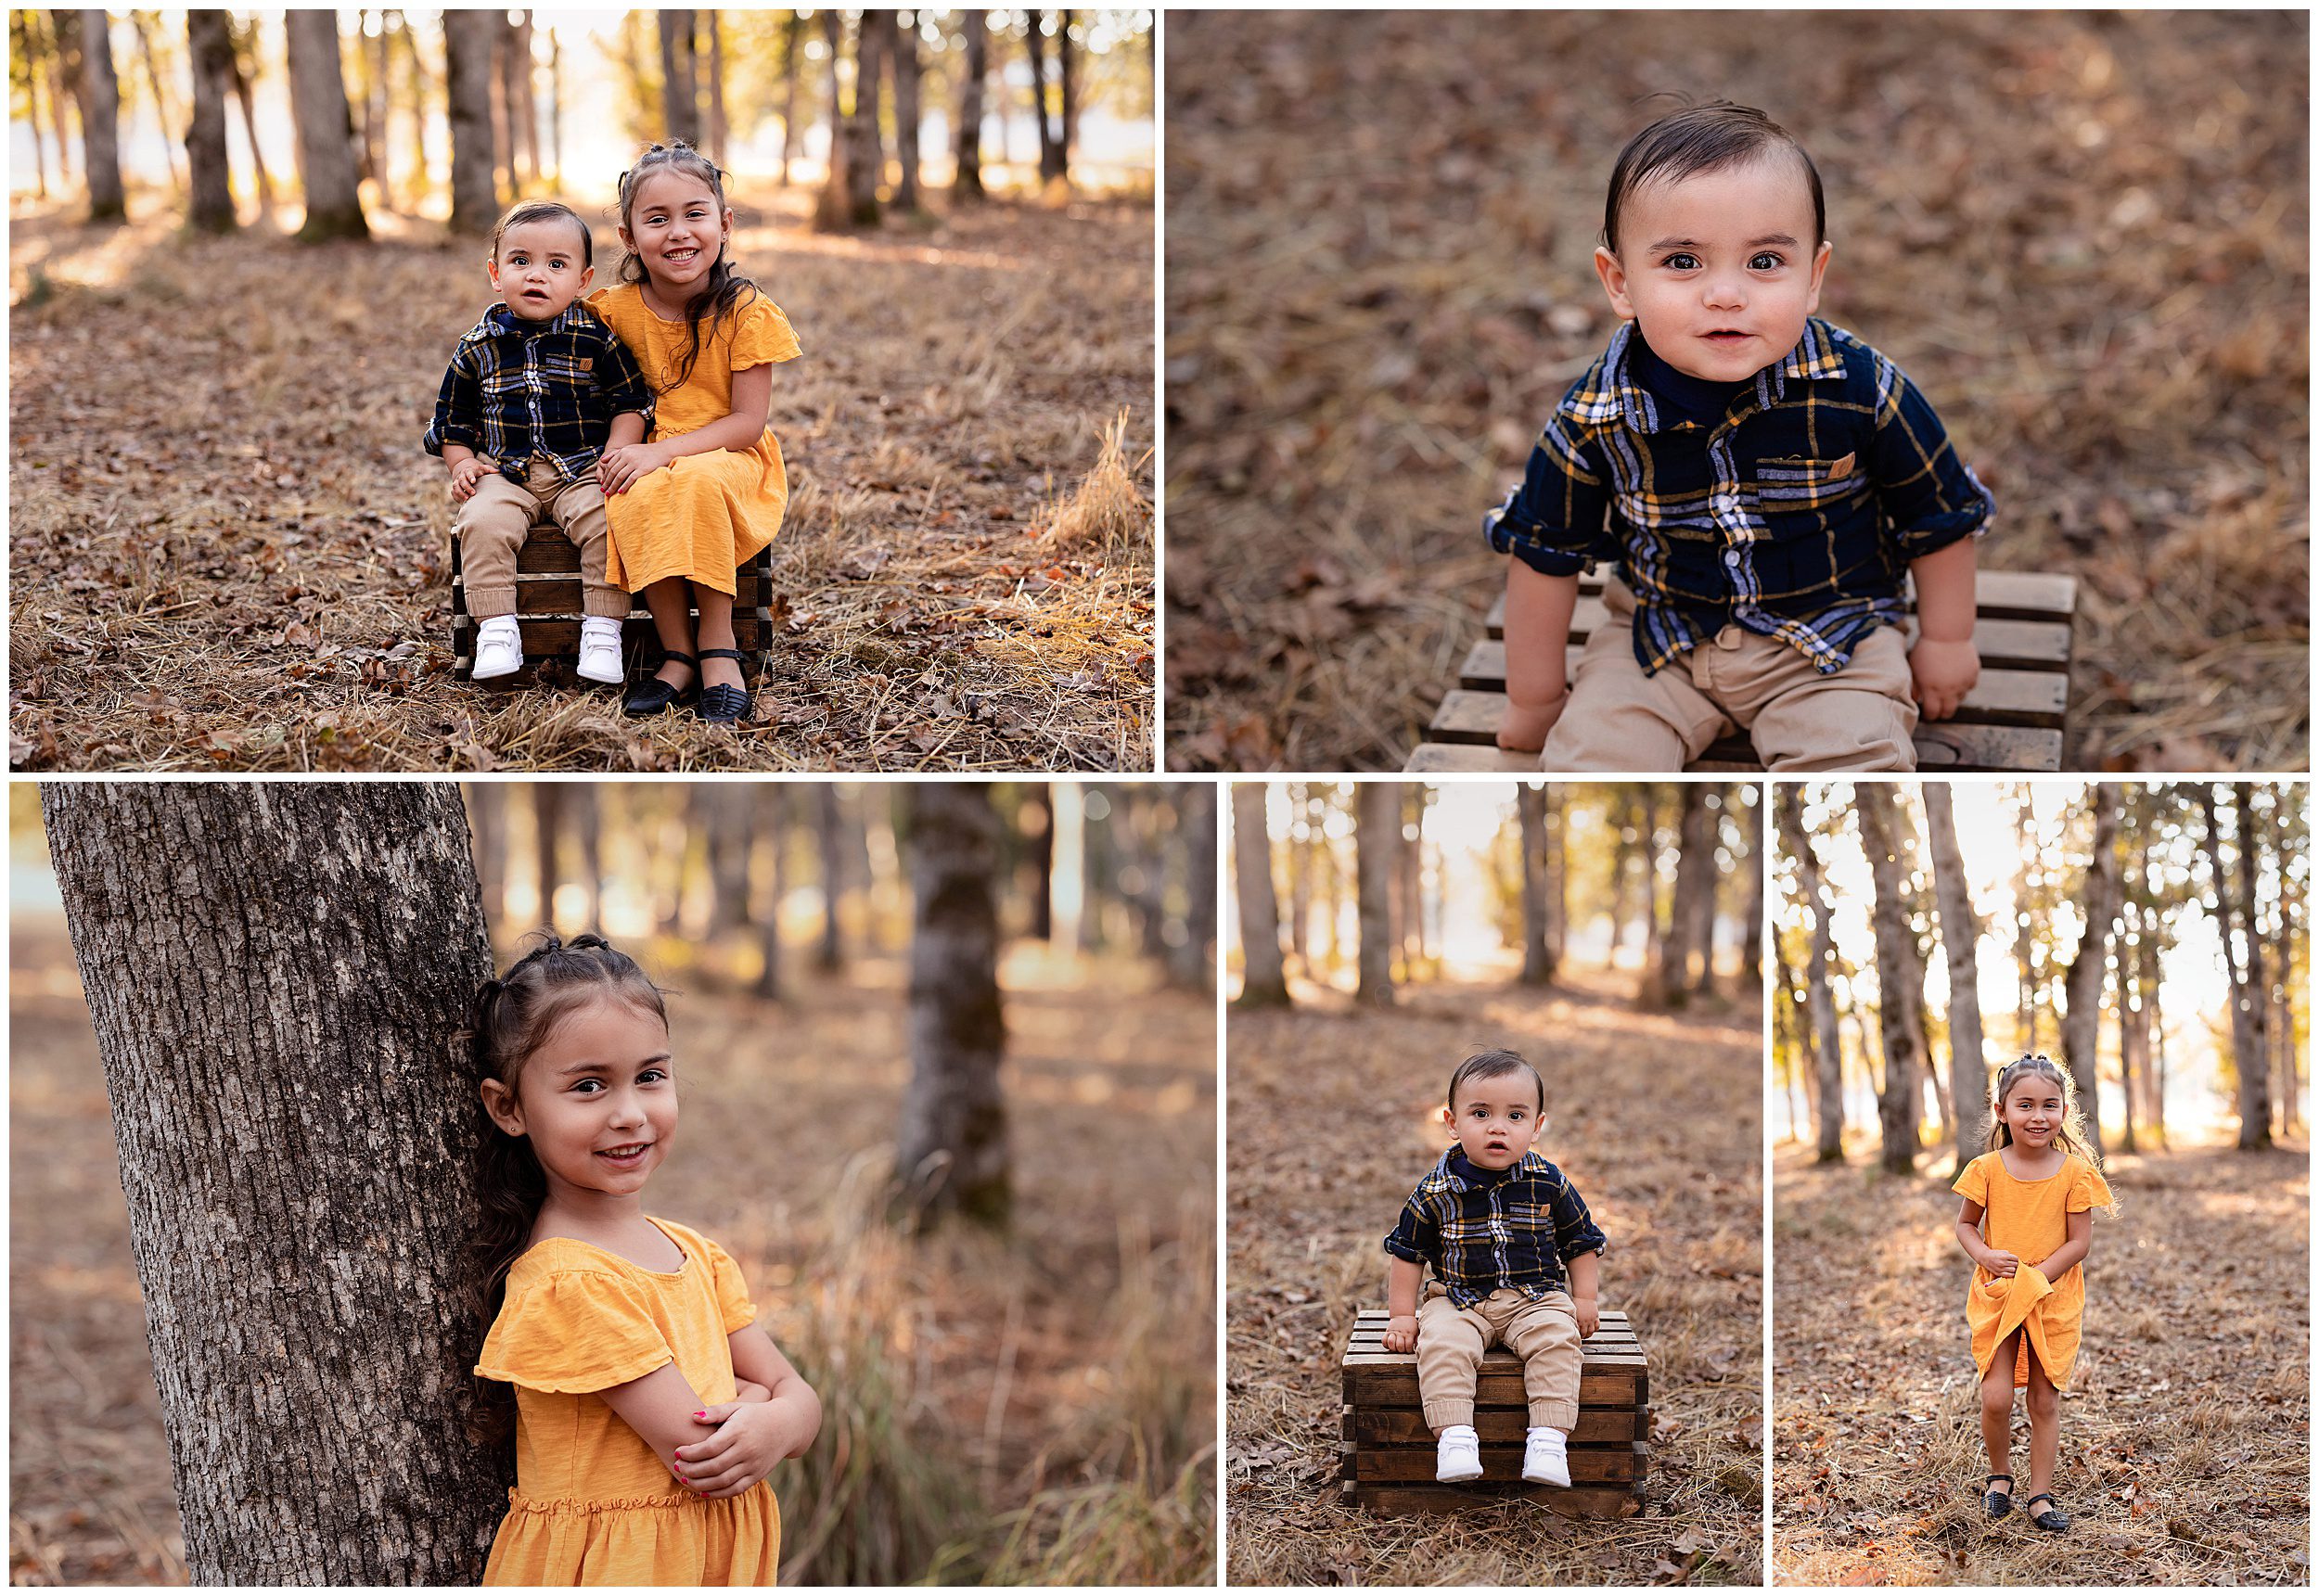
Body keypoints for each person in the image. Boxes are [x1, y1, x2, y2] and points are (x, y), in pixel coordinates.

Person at [1484, 101, 1994, 771]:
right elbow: (1543, 553)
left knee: (1853, 763)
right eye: (1683, 262)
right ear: (1620, 282)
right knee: (1593, 762)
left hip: (1830, 643)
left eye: (1763, 262)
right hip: (1658, 642)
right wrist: (1535, 699)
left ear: (1812, 276)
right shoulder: (1593, 418)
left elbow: (1939, 514)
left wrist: (1948, 638)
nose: (1726, 294)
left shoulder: (1861, 389)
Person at [461, 934, 821, 1584]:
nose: (630, 1113)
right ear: (509, 1107)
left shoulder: (697, 1256)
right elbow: (698, 1449)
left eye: (650, 1075)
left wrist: (776, 1412)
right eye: (589, 1085)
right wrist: (763, 1402)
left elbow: (803, 1399)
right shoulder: (567, 1282)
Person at [589, 142, 803, 725]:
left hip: (728, 453)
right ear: (630, 236)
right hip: (642, 450)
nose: (678, 233)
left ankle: (717, 649)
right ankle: (675, 654)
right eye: (656, 220)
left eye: (695, 214)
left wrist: (660, 453)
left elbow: (746, 422)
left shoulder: (747, 311)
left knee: (695, 483)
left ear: (724, 224)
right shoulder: (611, 311)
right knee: (633, 489)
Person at [425, 201, 656, 684]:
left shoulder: (596, 339)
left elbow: (630, 402)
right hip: (505, 474)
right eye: (520, 261)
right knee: (482, 521)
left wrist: (618, 452)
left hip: (583, 469)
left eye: (557, 264)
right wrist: (462, 463)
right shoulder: (477, 347)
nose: (537, 275)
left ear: (583, 280)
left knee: (611, 519)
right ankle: (496, 628)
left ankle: (603, 629)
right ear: (495, 273)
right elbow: (452, 420)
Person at [1380, 1049, 1606, 1486]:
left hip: (1535, 1298)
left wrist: (1584, 1299)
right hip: (1460, 1300)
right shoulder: (1435, 1191)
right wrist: (1402, 1316)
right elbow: (1407, 1254)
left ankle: (1547, 1442)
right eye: (1480, 1113)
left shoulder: (1549, 1182)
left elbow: (1581, 1241)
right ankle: (1455, 1438)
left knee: (1559, 1339)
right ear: (1452, 1123)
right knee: (1442, 1343)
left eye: (1516, 1116)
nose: (1498, 1127)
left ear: (1537, 1127)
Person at [1952, 1053, 2116, 1535]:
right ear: (2002, 1110)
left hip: (2052, 1297)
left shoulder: (2074, 1173)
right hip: (2001, 1296)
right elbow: (1966, 1226)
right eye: (2025, 1105)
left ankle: (2039, 1494)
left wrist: (2039, 1276)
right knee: (1998, 1395)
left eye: (2050, 1105)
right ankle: (1999, 1476)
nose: (2038, 1116)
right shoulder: (1985, 1169)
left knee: (2044, 1399)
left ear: (2064, 1111)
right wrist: (1983, 1254)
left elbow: (2079, 1243)